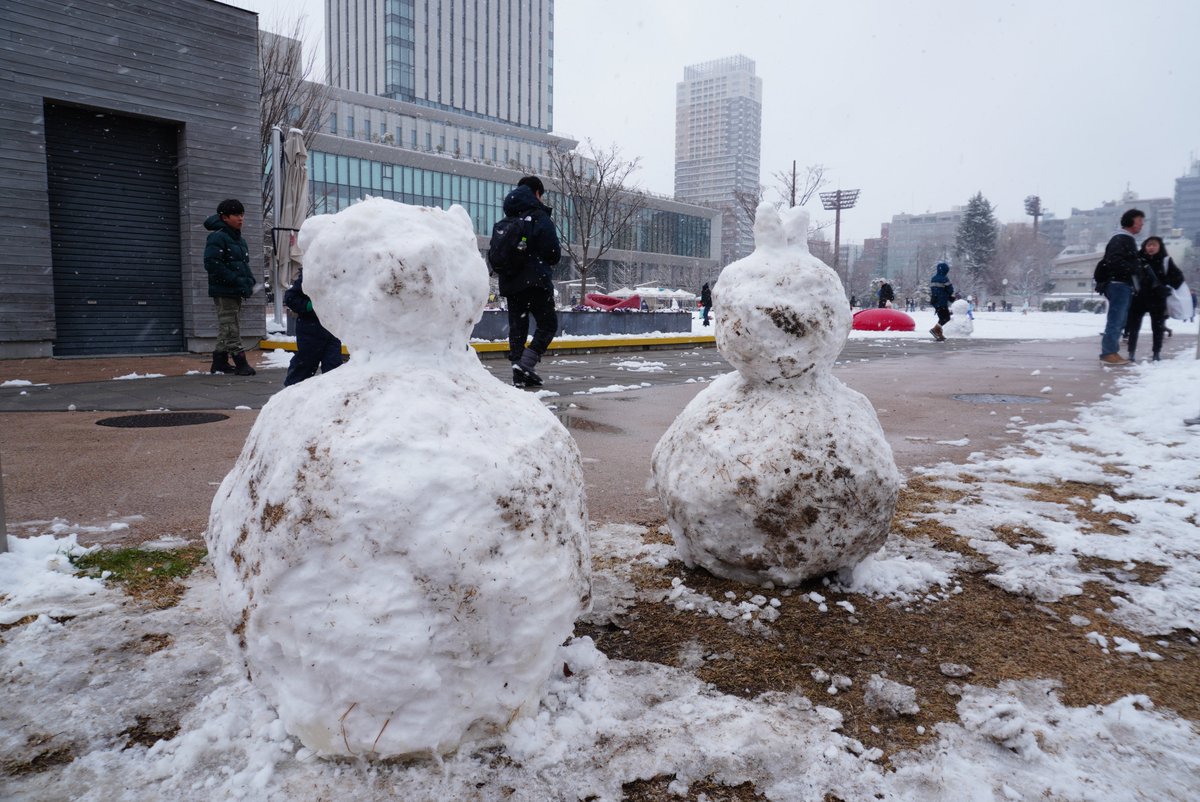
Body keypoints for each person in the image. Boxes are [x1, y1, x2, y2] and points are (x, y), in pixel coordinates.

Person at [496, 176, 561, 388]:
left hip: (510, 283)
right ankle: (525, 364)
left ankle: (519, 372)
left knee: (518, 328)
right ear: (537, 193)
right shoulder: (538, 216)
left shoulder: (508, 220)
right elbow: (553, 253)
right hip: (536, 281)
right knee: (548, 324)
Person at [204, 199, 257, 376]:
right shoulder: (217, 237)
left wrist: (249, 280)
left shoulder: (239, 239)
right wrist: (235, 280)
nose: (240, 218)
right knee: (231, 326)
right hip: (224, 290)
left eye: (242, 214)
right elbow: (212, 264)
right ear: (224, 217)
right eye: (236, 215)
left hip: (235, 289)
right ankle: (240, 362)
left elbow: (242, 265)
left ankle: (219, 362)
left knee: (227, 325)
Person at [1097, 208, 1144, 365]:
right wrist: (1134, 268)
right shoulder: (1121, 238)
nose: (1142, 224)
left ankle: (1111, 351)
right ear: (1130, 222)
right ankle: (1108, 352)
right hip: (1118, 284)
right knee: (1116, 319)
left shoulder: (1125, 239)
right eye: (1139, 221)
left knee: (1120, 319)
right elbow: (1114, 261)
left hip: (1121, 284)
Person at [1127, 236, 1184, 363]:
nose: (1151, 248)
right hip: (1138, 298)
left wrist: (1166, 286)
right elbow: (1130, 276)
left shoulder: (1165, 261)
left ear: (1159, 247)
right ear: (1144, 247)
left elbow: (1178, 277)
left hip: (1157, 299)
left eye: (1154, 245)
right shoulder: (1137, 260)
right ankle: (1131, 352)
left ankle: (1156, 352)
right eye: (1149, 245)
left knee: (1157, 327)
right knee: (1134, 327)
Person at [282, 270, 343, 386]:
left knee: (333, 367)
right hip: (310, 330)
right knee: (304, 365)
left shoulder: (339, 276)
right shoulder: (310, 276)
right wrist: (308, 306)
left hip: (332, 330)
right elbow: (290, 297)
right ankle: (291, 391)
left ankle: (333, 392)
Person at [928, 262, 953, 341]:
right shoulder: (944, 279)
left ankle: (939, 334)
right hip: (942, 301)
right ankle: (935, 330)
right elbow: (950, 290)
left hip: (935, 301)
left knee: (941, 317)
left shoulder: (933, 278)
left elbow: (934, 290)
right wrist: (949, 296)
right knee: (946, 318)